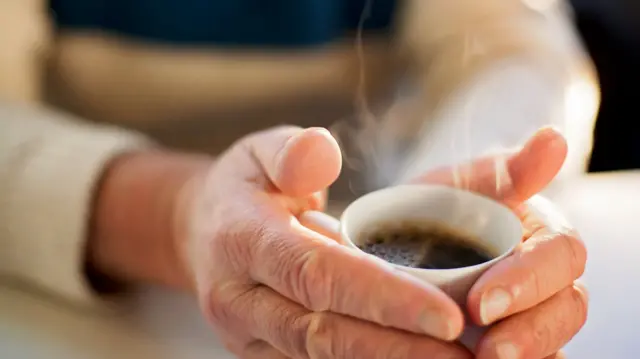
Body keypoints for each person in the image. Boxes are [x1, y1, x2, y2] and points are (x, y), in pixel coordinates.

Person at [0, 1, 591, 359]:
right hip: (74, 290)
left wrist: (478, 182)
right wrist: (178, 214)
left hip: (352, 213)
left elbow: (515, 52)